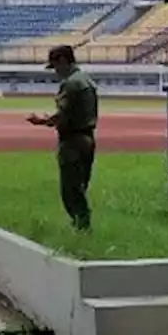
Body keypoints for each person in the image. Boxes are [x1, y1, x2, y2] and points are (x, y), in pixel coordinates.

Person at [26, 45, 98, 231]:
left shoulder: (71, 83)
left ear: (63, 61)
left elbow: (62, 115)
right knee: (80, 185)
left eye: (55, 66)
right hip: (88, 139)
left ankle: (82, 226)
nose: (55, 72)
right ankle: (82, 225)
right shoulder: (86, 80)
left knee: (70, 190)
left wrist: (42, 121)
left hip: (72, 141)